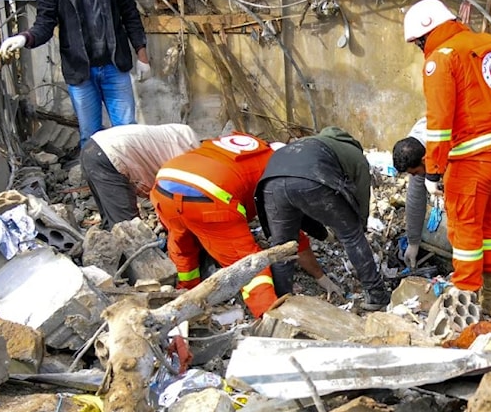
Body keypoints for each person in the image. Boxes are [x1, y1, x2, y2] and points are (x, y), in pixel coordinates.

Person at [401, 0, 491, 316]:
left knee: (465, 227)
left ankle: (466, 302)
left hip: (476, 156)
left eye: (418, 42)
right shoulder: (489, 43)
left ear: (426, 34)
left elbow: (439, 124)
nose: (419, 48)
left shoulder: (442, 58)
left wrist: (433, 172)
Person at [151, 133, 341, 317]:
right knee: (250, 264)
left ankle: (186, 291)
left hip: (164, 185)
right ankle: (268, 316)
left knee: (183, 243)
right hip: (209, 199)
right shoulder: (278, 176)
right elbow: (289, 234)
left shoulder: (252, 147)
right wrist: (320, 276)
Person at [0, 0, 151, 147]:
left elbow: (130, 14)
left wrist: (142, 56)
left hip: (114, 65)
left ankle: (130, 181)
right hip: (80, 71)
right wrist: (24, 38)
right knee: (89, 137)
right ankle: (96, 182)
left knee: (127, 131)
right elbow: (45, 23)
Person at [256, 127, 392, 310]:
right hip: (313, 178)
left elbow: (299, 204)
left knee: (282, 248)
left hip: (271, 184)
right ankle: (376, 295)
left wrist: (322, 233)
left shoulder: (306, 144)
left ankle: (282, 304)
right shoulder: (353, 153)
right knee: (351, 236)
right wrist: (359, 224)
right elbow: (362, 193)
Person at [393, 101, 491, 266]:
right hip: (487, 132)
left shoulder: (458, 145)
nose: (418, 176)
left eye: (417, 172)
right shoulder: (416, 143)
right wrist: (413, 243)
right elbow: (415, 194)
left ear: (424, 159)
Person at [81, 123, 200, 229]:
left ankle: (108, 246)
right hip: (109, 154)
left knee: (111, 214)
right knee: (128, 227)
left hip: (92, 147)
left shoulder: (180, 137)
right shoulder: (187, 155)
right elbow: (174, 198)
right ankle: (136, 252)